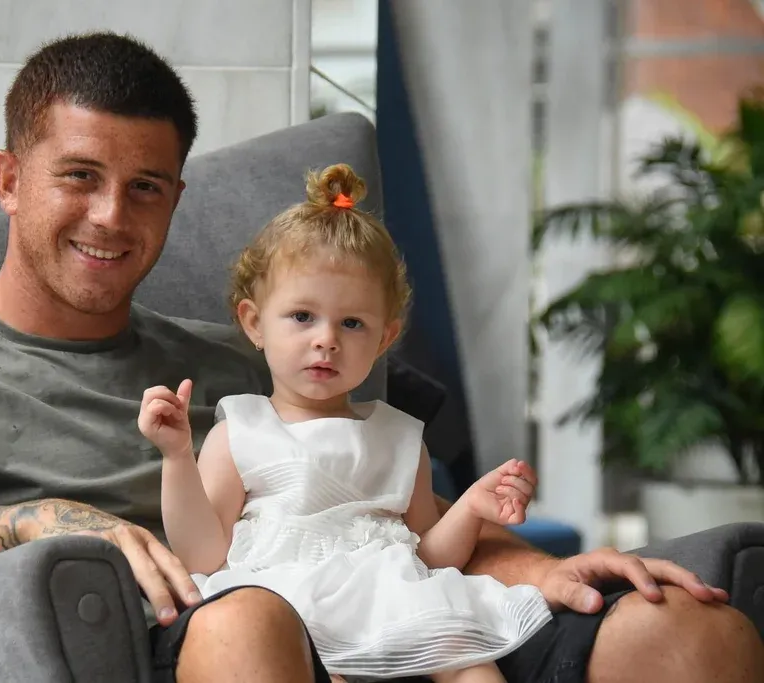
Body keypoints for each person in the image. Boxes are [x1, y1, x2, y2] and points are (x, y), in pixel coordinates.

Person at [0, 30, 762, 683]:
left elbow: (401, 515)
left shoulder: (268, 353)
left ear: (176, 196)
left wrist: (535, 566)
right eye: (78, 176)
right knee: (247, 620)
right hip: (189, 639)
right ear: (8, 179)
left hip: (395, 623)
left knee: (685, 631)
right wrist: (37, 519)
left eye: (146, 186)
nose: (111, 216)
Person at [138, 163, 553, 683]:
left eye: (352, 323)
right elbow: (202, 554)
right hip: (292, 610)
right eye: (302, 317)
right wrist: (177, 457)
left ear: (384, 339)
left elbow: (428, 557)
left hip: (393, 603)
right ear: (254, 323)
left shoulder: (400, 438)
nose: (326, 340)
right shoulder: (243, 430)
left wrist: (470, 508)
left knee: (466, 657)